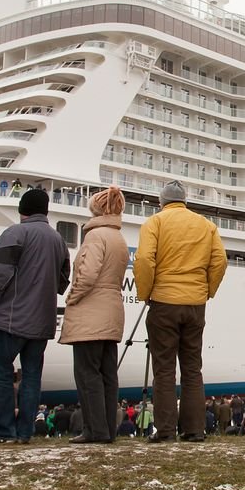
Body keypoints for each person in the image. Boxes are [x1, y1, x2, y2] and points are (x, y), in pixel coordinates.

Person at [134, 180, 227, 443]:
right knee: (192, 368)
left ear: (161, 202)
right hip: (195, 305)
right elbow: (220, 261)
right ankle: (195, 430)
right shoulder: (207, 225)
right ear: (185, 201)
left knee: (164, 369)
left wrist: (145, 293)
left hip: (164, 302)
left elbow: (143, 260)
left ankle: (165, 430)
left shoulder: (155, 222)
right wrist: (206, 290)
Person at [0, 188, 70, 445]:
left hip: (11, 318)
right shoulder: (58, 240)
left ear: (22, 210)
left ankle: (3, 431)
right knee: (32, 375)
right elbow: (63, 281)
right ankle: (25, 433)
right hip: (42, 319)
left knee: (0, 373)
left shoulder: (14, 233)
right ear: (45, 211)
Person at [61, 187, 129, 444]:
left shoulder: (95, 236)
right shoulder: (118, 237)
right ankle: (108, 430)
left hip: (91, 311)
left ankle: (94, 430)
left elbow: (87, 274)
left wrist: (73, 296)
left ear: (96, 210)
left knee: (87, 373)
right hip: (112, 309)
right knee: (108, 374)